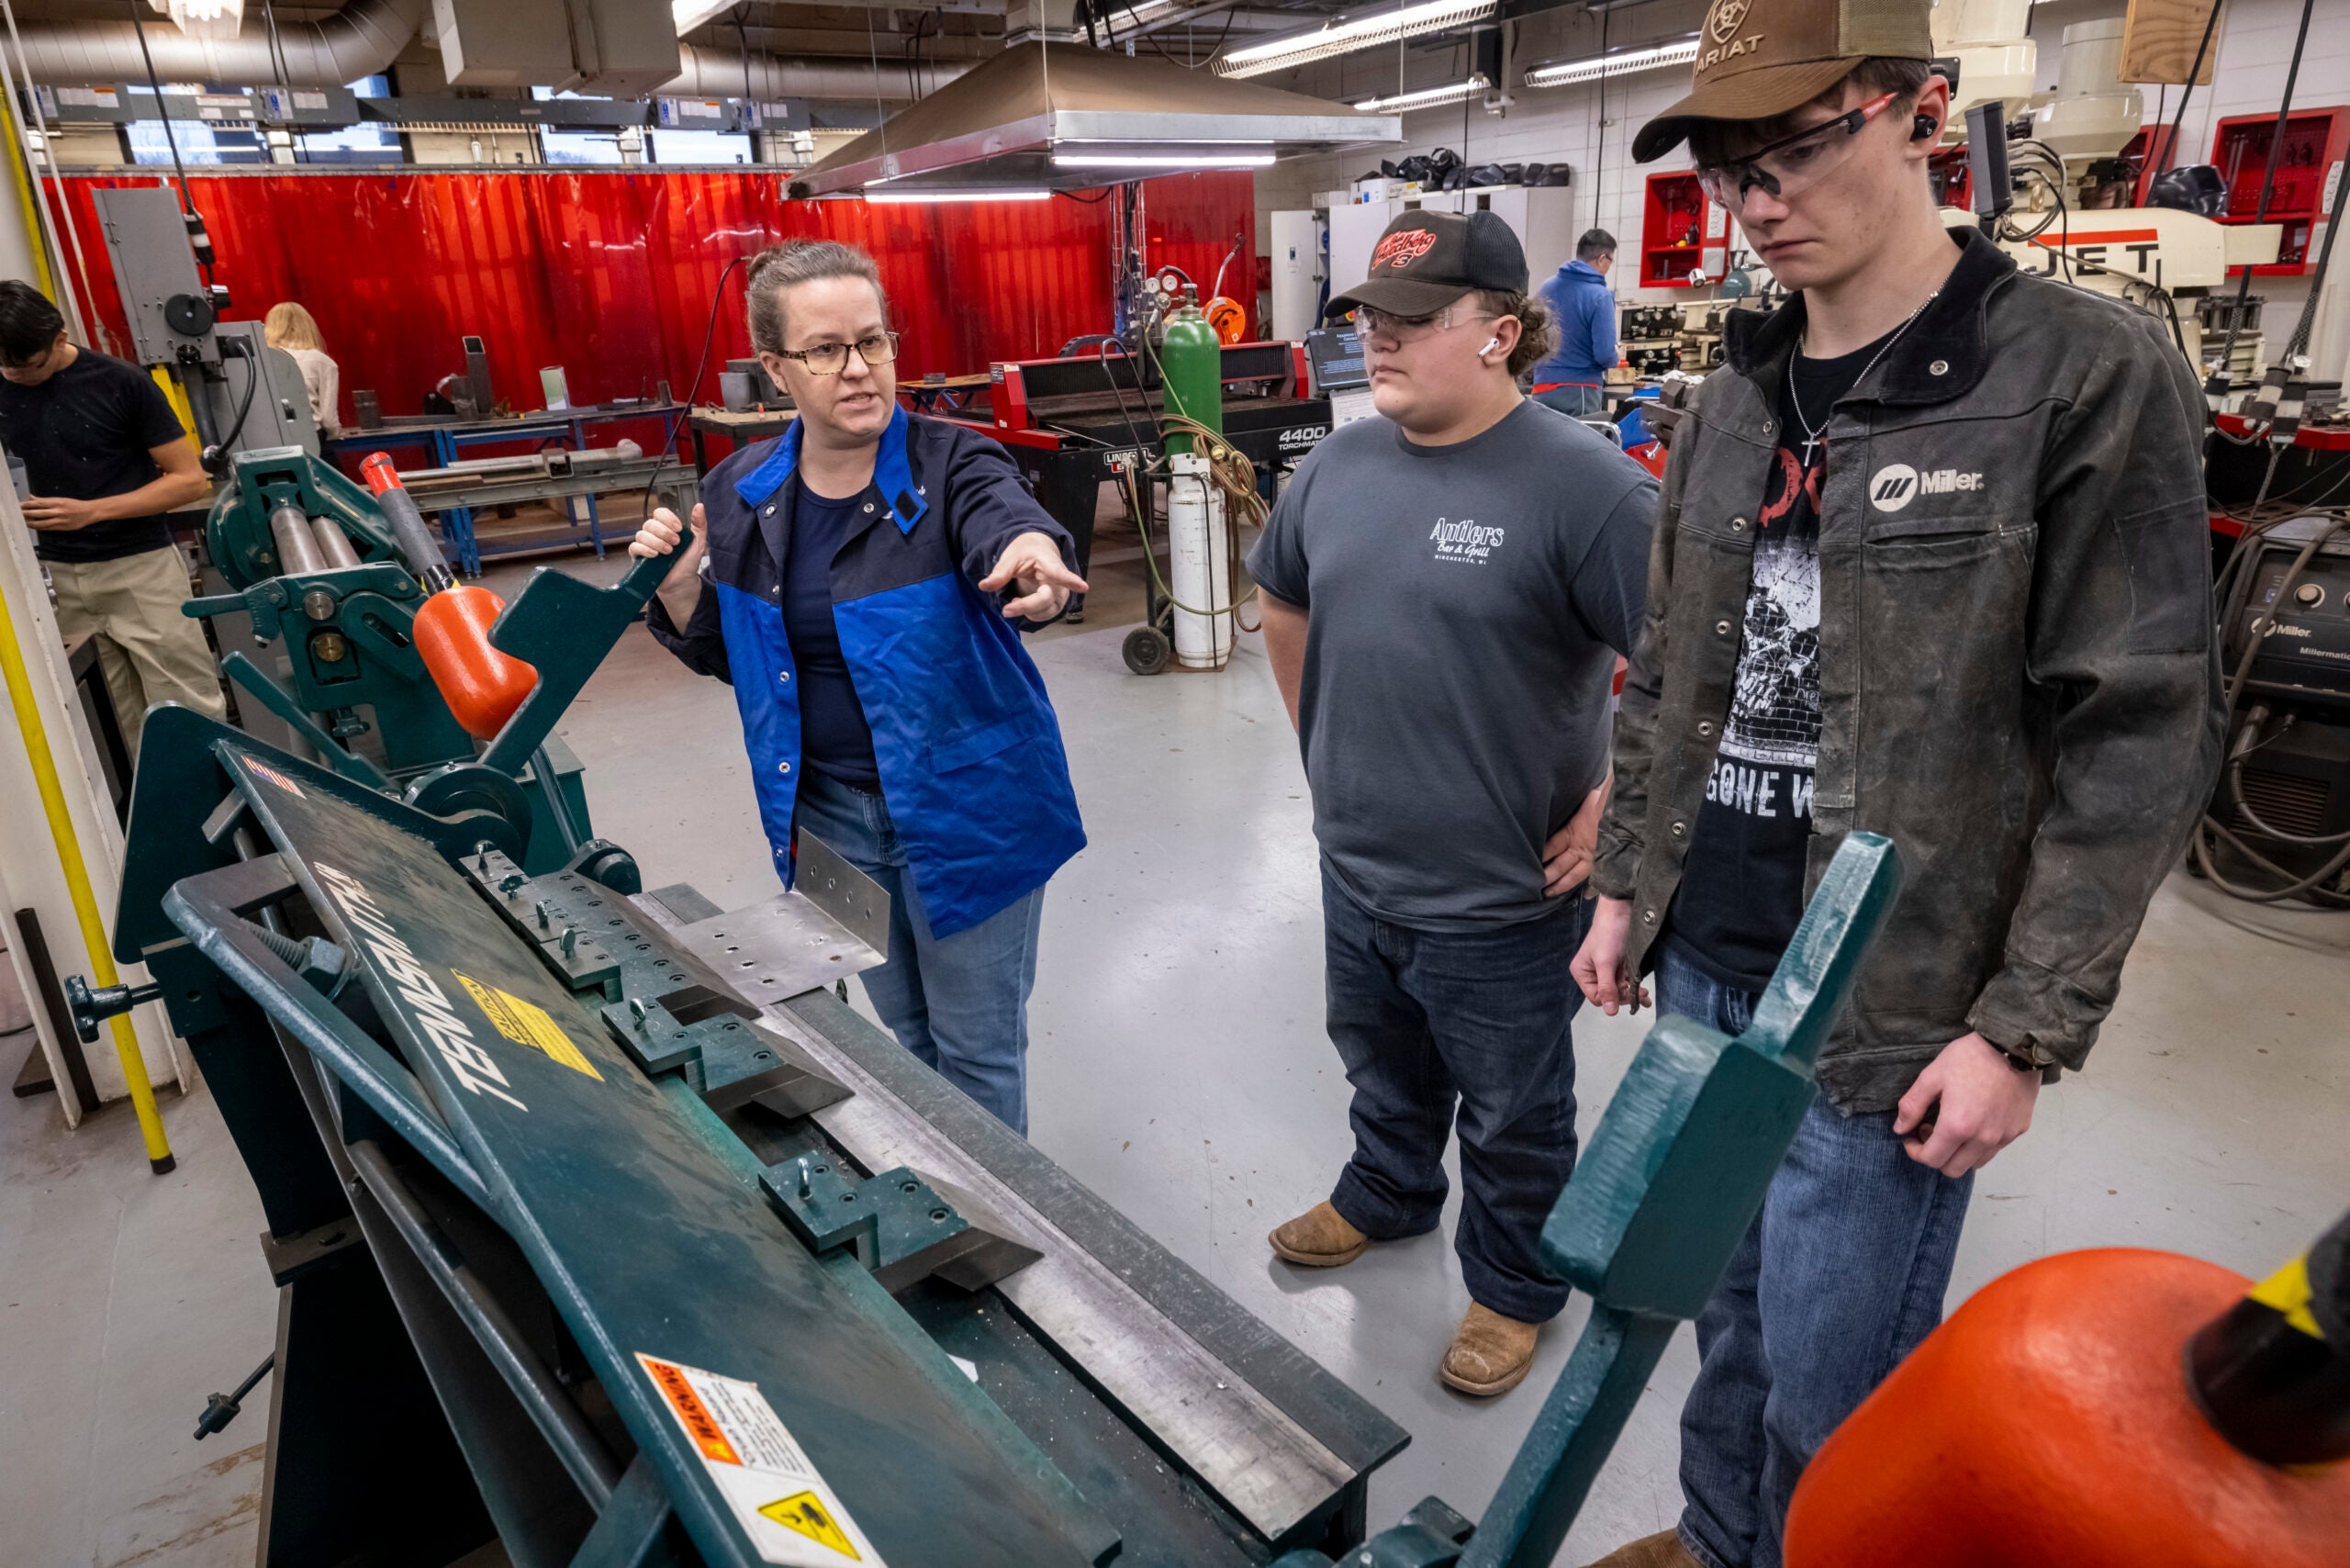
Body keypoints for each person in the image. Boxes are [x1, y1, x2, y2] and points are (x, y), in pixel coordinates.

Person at [1572, 0, 2223, 1562]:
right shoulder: (1734, 393)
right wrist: (1624, 878)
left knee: (1836, 1386)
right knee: (1712, 1324)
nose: (1759, 201)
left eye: (1793, 150)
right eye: (1732, 167)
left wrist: (2023, 1028)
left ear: (1917, 113)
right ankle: (1730, 1540)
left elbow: (2138, 726)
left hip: (1890, 1007)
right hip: (1708, 961)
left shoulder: (2076, 370)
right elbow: (1671, 665)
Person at [1252, 210, 1658, 1398]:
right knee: (1379, 1059)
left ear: (1501, 333)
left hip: (1501, 896)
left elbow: (1700, 678)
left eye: (1412, 321)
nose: (1378, 341)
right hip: (1359, 867)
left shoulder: (1589, 490)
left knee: (1512, 1109)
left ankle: (1515, 1286)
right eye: (1370, 318)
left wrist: (1617, 813)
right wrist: (1319, 746)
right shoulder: (1337, 463)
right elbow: (1281, 598)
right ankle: (1387, 1191)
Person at [630, 240, 1088, 1136]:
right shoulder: (738, 490)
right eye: (826, 350)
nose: (859, 370)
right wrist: (681, 587)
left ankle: (1002, 1234)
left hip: (967, 808)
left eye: (873, 342)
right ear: (774, 368)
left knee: (977, 1047)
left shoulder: (952, 463)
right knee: (904, 1034)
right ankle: (946, 1200)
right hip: (828, 818)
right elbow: (741, 661)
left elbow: (1006, 520)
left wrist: (1032, 555)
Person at [0, 280, 223, 755]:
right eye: (4, 366)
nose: (14, 375)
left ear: (59, 339)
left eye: (29, 365)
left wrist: (92, 512)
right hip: (60, 580)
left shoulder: (120, 383)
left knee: (188, 715)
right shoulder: (5, 380)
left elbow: (190, 480)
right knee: (113, 730)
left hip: (140, 571)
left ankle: (212, 825)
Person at [1529, 230, 1619, 417]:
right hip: (1580, 389)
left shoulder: (1546, 287)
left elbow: (1533, 335)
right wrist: (1615, 357)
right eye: (1611, 260)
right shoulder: (1599, 296)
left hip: (1542, 384)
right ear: (1603, 258)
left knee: (1546, 443)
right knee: (1579, 444)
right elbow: (1604, 354)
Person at [263, 302, 340, 436]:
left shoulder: (259, 360)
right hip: (310, 434)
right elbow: (328, 420)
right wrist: (337, 433)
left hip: (270, 436)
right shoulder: (322, 362)